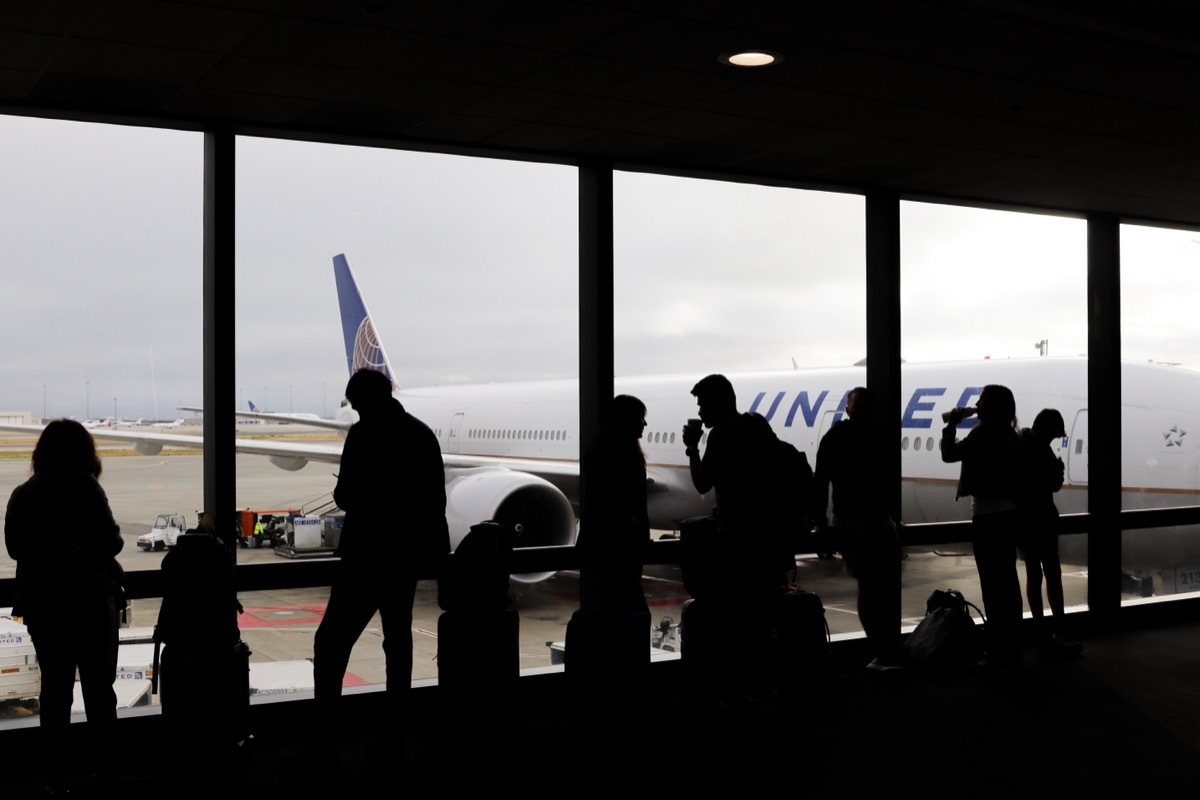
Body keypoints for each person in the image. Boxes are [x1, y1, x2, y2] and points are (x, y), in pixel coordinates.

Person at [312, 368, 450, 759]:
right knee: (398, 644)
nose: (355, 413)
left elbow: (344, 496)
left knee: (331, 643)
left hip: (365, 557)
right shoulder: (421, 435)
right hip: (404, 559)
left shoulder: (364, 434)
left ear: (365, 402)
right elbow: (435, 504)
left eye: (356, 406)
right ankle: (395, 735)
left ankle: (324, 741)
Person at [5, 419, 124, 795]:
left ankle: (57, 777)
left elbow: (14, 548)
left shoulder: (24, 494)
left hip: (44, 604)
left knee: (55, 693)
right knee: (98, 691)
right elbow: (112, 543)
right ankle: (105, 771)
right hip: (89, 600)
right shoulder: (86, 488)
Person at [812, 387, 902, 671]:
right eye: (857, 407)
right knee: (874, 585)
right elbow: (822, 481)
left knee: (877, 586)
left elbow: (820, 481)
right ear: (849, 410)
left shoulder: (846, 437)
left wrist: (820, 522)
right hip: (859, 519)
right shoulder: (871, 437)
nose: (860, 412)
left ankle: (882, 651)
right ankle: (881, 651)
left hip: (871, 518)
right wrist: (821, 521)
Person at [941, 384, 1024, 670]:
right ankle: (1012, 647)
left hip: (987, 519)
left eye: (981, 401)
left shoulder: (982, 434)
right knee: (1009, 584)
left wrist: (951, 424)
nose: (977, 404)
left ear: (988, 407)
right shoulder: (1011, 434)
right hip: (1009, 516)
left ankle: (997, 652)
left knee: (992, 585)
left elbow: (949, 454)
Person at [1017, 408, 1083, 657]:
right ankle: (1052, 630)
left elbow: (1046, 485)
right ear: (1044, 430)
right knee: (1044, 573)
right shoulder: (1029, 448)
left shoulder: (1029, 445)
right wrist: (1053, 474)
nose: (1055, 440)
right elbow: (1036, 485)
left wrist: (1054, 475)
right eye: (1054, 435)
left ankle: (1046, 629)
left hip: (1032, 521)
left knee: (1040, 574)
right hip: (1036, 520)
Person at [579, 394, 651, 615]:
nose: (644, 424)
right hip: (617, 550)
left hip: (609, 550)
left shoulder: (598, 453)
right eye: (640, 418)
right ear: (625, 422)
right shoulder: (626, 458)